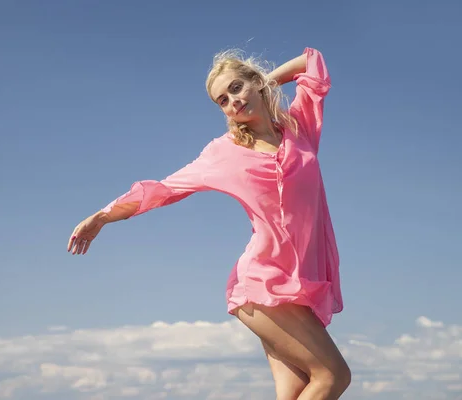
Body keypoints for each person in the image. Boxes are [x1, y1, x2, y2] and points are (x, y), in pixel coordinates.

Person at [67, 47, 351, 400]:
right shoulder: (224, 151)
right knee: (332, 376)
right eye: (222, 100)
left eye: (236, 88)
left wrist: (268, 80)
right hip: (260, 285)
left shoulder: (299, 128)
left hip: (299, 283)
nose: (232, 101)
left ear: (254, 82)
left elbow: (312, 65)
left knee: (293, 391)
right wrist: (104, 215)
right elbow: (165, 189)